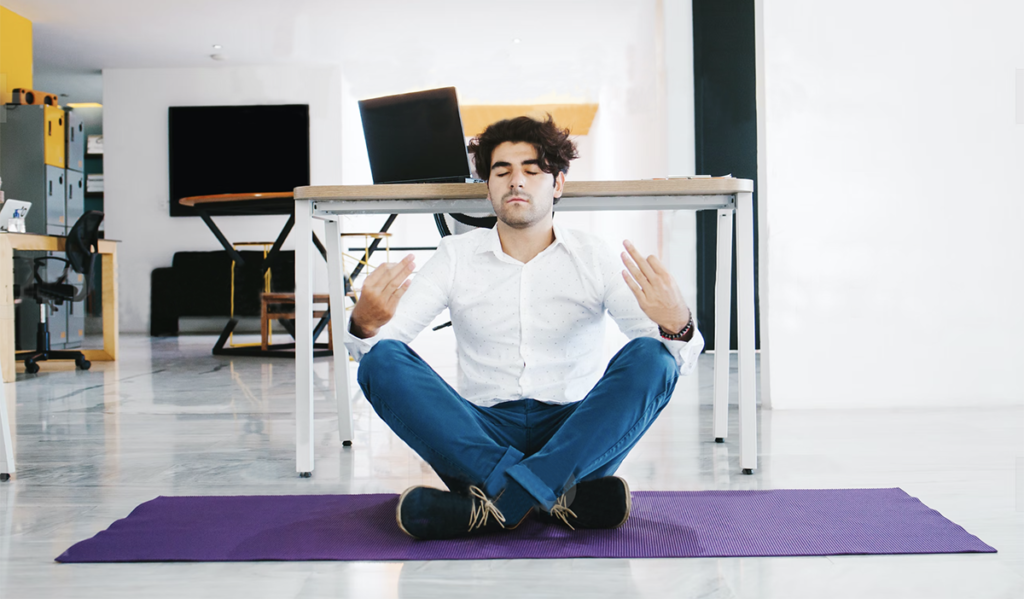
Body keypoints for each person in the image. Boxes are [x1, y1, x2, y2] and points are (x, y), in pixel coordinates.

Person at [347, 115, 704, 540]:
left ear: (557, 184)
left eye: (531, 171)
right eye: (503, 171)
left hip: (575, 436)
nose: (516, 181)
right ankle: (558, 500)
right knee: (381, 361)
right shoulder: (455, 256)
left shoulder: (593, 256)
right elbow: (379, 346)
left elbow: (671, 358)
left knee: (653, 357)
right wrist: (365, 324)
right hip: (479, 435)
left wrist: (677, 323)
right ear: (489, 186)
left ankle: (499, 503)